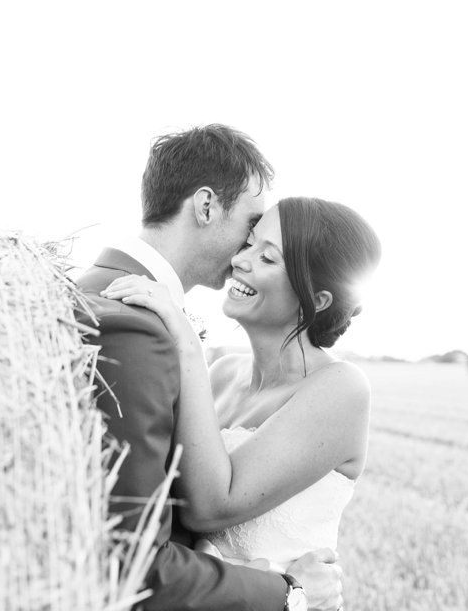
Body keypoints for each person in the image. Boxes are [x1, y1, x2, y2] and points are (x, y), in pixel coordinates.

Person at [75, 125, 343, 611]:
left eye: (267, 252)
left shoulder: (99, 289)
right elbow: (132, 561)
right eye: (251, 224)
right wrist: (288, 593)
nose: (245, 253)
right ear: (205, 207)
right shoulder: (137, 323)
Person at [101, 196, 381, 576]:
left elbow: (212, 507)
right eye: (249, 244)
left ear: (316, 299)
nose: (239, 261)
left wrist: (185, 341)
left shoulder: (341, 388)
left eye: (268, 258)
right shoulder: (220, 374)